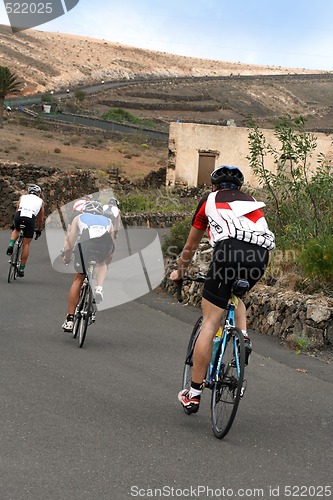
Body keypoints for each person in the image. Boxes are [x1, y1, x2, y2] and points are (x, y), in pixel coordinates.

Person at [170, 165, 275, 414]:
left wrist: (180, 272)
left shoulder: (208, 200)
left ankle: (193, 394)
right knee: (236, 295)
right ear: (240, 188)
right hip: (260, 257)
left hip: (228, 252)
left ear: (214, 186)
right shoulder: (252, 203)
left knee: (210, 321)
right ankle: (243, 336)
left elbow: (191, 244)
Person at [61, 200, 116, 333]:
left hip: (86, 245)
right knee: (102, 263)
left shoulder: (79, 217)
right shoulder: (108, 221)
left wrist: (67, 257)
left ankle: (69, 319)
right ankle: (98, 288)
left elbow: (70, 241)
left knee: (78, 278)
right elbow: (111, 247)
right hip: (104, 246)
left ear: (85, 210)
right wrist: (106, 264)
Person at [6, 184, 44, 277]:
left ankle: (11, 245)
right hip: (30, 218)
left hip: (19, 215)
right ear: (38, 193)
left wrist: (15, 222)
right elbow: (41, 219)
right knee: (26, 244)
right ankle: (22, 268)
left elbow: (17, 208)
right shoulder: (41, 201)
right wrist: (39, 229)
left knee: (16, 229)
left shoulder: (22, 197)